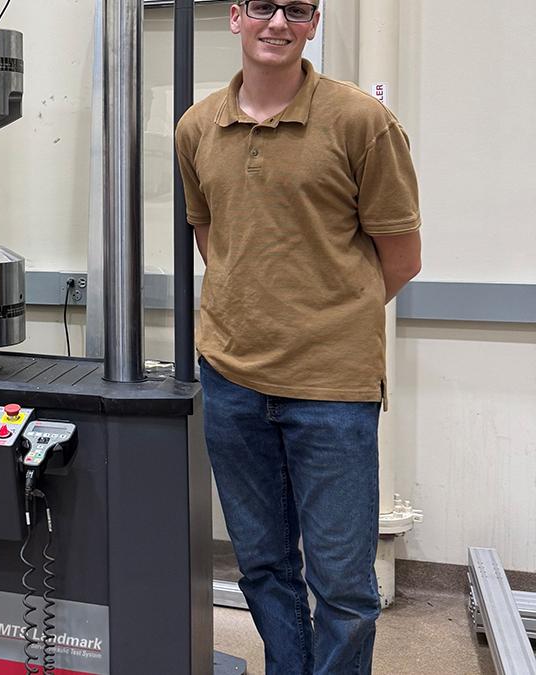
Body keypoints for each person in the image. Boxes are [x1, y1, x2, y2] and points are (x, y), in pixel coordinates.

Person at [174, 2, 422, 673]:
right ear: (236, 17)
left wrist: (323, 322)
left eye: (299, 8)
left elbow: (400, 256)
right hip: (231, 384)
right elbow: (215, 242)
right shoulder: (197, 127)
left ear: (313, 24)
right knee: (262, 568)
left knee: (344, 587)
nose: (278, 20)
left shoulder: (361, 123)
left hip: (332, 393)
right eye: (263, 6)